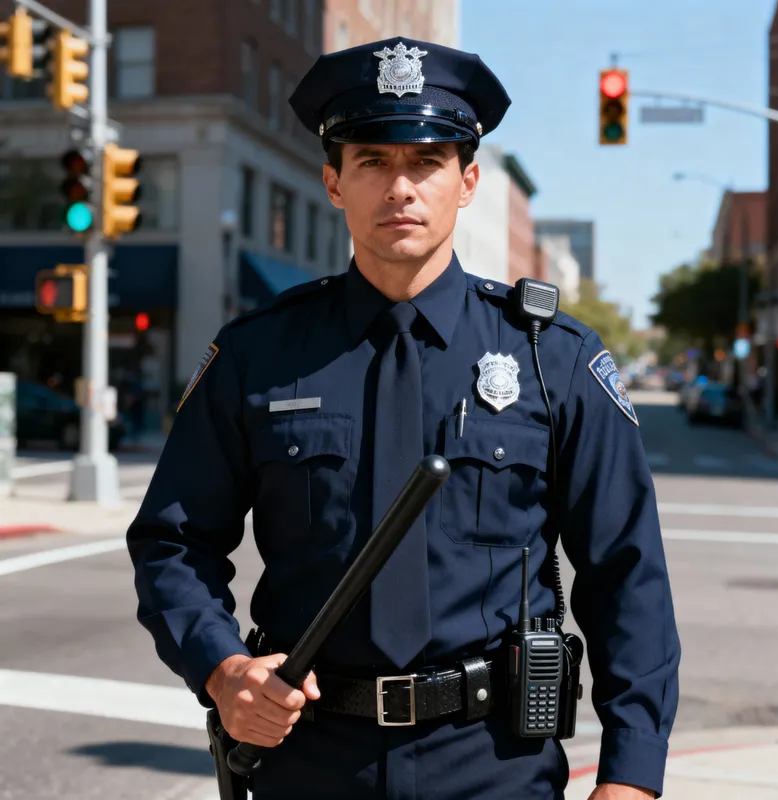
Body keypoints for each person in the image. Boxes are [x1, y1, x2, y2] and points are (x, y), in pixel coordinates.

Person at [127, 37, 680, 800]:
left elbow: (627, 574)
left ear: (468, 182)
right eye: (372, 162)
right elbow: (172, 541)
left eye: (426, 163)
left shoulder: (554, 361)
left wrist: (631, 776)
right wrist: (223, 672)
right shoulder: (259, 355)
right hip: (310, 761)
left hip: (494, 764)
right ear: (332, 182)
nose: (401, 189)